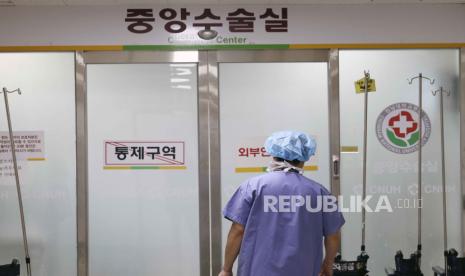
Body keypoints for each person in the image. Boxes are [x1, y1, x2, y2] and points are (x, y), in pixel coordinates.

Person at [219, 131, 345, 276]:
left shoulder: (253, 187)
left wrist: (226, 269)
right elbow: (332, 235)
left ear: (273, 154)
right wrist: (328, 265)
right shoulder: (319, 192)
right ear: (304, 157)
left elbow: (238, 231)